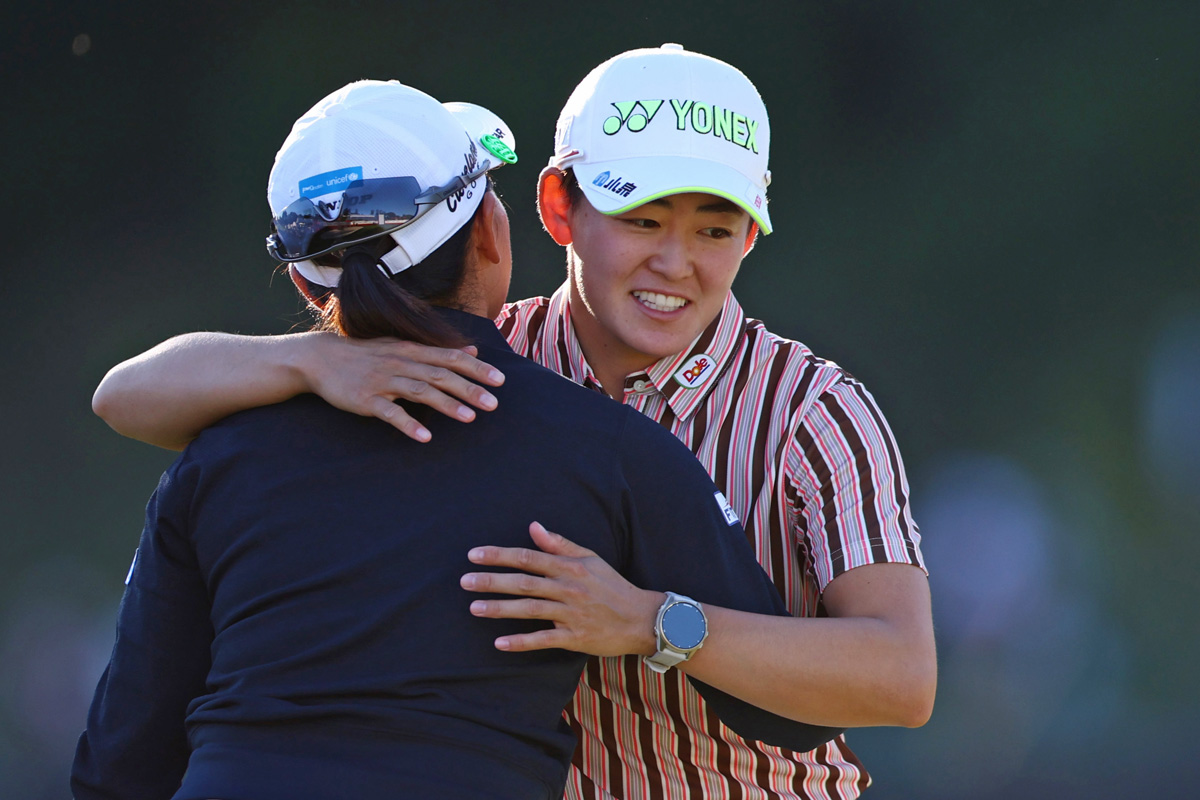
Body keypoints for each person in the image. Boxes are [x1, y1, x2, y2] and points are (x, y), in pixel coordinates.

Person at [91, 46, 936, 799]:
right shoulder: (480, 355)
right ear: (554, 210)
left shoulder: (813, 411)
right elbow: (125, 396)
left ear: (750, 233)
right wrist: (312, 358)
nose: (675, 263)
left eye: (714, 230)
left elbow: (902, 677)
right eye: (641, 220)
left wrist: (650, 620)